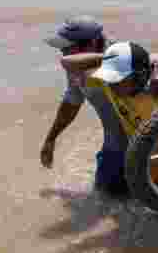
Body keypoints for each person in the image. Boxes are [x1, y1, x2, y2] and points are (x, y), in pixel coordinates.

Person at [56, 40, 158, 196]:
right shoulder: (108, 85)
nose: (111, 84)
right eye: (110, 77)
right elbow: (66, 62)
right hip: (153, 182)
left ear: (139, 76)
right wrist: (108, 59)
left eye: (117, 79)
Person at [41, 15, 108, 177]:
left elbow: (155, 64)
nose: (62, 52)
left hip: (140, 133)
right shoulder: (76, 69)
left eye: (67, 48)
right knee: (106, 187)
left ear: (91, 45)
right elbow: (72, 101)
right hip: (114, 139)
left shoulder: (120, 55)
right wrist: (51, 139)